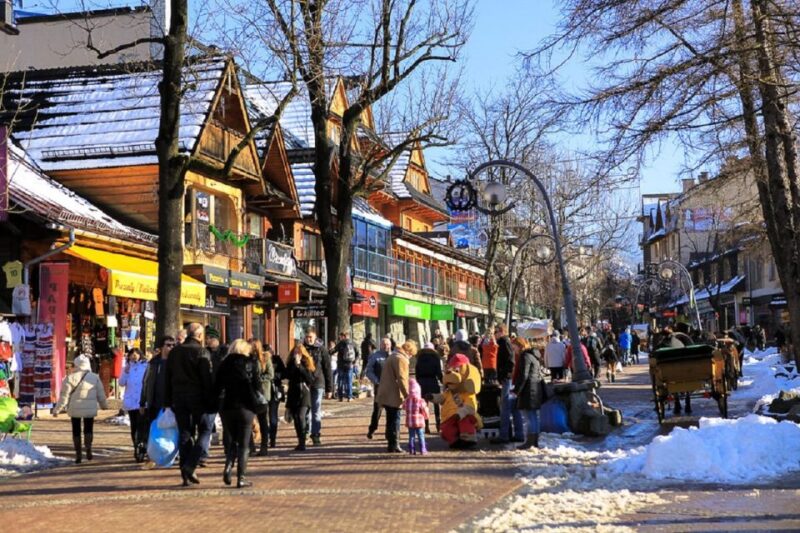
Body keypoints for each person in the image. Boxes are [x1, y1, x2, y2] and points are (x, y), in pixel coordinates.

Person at [164, 322, 214, 486]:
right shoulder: (202, 352)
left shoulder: (174, 352)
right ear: (199, 335)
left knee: (185, 432)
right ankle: (191, 464)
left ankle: (185, 472)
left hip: (178, 398)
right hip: (197, 398)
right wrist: (210, 400)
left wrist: (167, 400)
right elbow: (206, 378)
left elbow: (167, 377)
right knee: (205, 429)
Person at [214, 339, 264, 488]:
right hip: (245, 406)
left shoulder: (224, 364)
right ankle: (241, 477)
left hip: (228, 406)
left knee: (233, 440)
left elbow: (217, 386)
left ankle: (229, 466)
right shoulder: (249, 363)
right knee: (244, 444)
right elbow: (257, 385)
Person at [53, 354, 108, 464]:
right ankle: (88, 448)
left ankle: (78, 453)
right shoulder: (94, 377)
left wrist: (57, 410)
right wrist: (104, 405)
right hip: (89, 407)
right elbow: (101, 394)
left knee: (76, 430)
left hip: (75, 408)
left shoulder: (70, 377)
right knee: (89, 428)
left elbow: (64, 396)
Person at [376, 339, 415, 453]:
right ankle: (394, 444)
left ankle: (391, 442)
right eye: (411, 354)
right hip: (394, 393)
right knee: (395, 419)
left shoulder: (393, 356)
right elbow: (402, 378)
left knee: (390, 418)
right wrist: (407, 395)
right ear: (409, 351)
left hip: (386, 391)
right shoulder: (400, 359)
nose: (411, 357)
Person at [139, 336, 174, 451]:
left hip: (172, 403)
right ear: (162, 347)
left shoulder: (176, 362)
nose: (171, 347)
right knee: (155, 428)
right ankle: (154, 451)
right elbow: (145, 382)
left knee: (171, 429)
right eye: (168, 345)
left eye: (173, 345)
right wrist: (142, 402)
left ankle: (170, 451)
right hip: (155, 402)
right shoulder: (153, 363)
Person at [491, 325, 524, 444]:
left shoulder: (504, 342)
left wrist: (504, 375)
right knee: (514, 407)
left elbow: (510, 361)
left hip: (507, 379)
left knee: (505, 408)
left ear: (501, 332)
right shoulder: (505, 342)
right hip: (510, 378)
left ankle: (504, 435)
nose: (494, 334)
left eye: (495, 332)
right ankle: (519, 434)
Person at [303, 329, 333, 446]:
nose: (308, 339)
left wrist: (329, 388)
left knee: (315, 410)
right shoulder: (302, 348)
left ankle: (315, 434)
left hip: (318, 383)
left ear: (315, 337)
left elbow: (327, 368)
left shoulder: (321, 349)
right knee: (306, 410)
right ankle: (306, 433)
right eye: (307, 337)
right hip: (305, 383)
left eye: (310, 337)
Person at [285, 343, 316, 451]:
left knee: (301, 416)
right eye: (295, 352)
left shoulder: (307, 362)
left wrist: (300, 366)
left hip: (304, 393)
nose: (297, 355)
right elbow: (288, 375)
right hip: (293, 393)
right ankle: (300, 439)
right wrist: (294, 365)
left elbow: (310, 379)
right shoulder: (290, 363)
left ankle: (303, 441)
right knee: (296, 418)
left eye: (299, 352)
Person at [513, 346, 545, 450]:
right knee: (534, 416)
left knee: (529, 417)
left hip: (528, 390)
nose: (514, 349)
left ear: (519, 346)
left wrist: (517, 390)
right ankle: (534, 441)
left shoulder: (525, 356)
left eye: (514, 346)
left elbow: (524, 375)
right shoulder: (534, 356)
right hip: (534, 388)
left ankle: (530, 442)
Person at [119, 348, 148, 459]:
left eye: (136, 354)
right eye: (132, 354)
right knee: (134, 426)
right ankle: (136, 447)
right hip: (131, 401)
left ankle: (142, 447)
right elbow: (121, 383)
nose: (134, 356)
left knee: (143, 425)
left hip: (142, 401)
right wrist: (125, 373)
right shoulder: (127, 368)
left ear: (140, 355)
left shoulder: (145, 366)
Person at [249, 339, 274, 456]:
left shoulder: (265, 357)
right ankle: (250, 446)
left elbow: (270, 374)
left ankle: (264, 446)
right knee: (249, 420)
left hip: (262, 393)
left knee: (263, 420)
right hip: (249, 392)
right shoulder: (246, 358)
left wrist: (258, 379)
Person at [365, 337, 391, 439]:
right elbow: (369, 371)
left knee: (391, 411)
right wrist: (376, 381)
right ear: (380, 345)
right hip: (380, 386)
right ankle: (372, 429)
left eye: (387, 344)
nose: (386, 346)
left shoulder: (393, 356)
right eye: (384, 344)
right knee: (377, 410)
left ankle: (389, 432)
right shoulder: (375, 356)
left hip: (391, 387)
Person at [414, 342, 443, 434]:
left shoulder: (419, 358)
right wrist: (443, 381)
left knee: (424, 405)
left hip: (422, 382)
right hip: (433, 381)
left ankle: (426, 425)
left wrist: (418, 382)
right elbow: (439, 372)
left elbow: (417, 372)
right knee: (436, 404)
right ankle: (438, 424)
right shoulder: (436, 358)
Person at [402, 378, 429, 455]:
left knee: (411, 436)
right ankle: (422, 449)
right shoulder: (420, 401)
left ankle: (411, 449)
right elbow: (425, 409)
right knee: (421, 435)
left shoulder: (407, 400)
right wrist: (426, 416)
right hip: (419, 422)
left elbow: (403, 407)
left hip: (410, 422)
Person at [268, 346, 286, 448]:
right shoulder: (259, 360)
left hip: (275, 391)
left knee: (272, 415)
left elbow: (284, 373)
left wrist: (274, 376)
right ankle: (268, 436)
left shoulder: (277, 359)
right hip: (264, 391)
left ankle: (272, 438)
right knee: (264, 416)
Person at [335, 331, 358, 402]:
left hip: (341, 365)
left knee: (340, 381)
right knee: (349, 381)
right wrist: (354, 362)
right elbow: (357, 353)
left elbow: (333, 351)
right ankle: (349, 397)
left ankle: (340, 397)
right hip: (350, 365)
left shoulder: (340, 343)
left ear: (343, 336)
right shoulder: (353, 343)